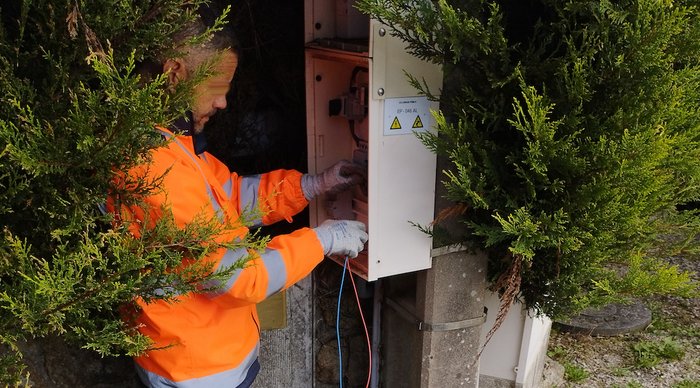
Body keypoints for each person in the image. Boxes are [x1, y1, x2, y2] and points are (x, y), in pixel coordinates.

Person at [107, 14, 368, 388]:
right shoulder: (154, 169)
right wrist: (321, 240)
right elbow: (236, 276)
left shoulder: (172, 147)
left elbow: (230, 196)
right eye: (217, 86)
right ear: (175, 72)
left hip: (206, 358)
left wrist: (312, 185)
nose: (224, 102)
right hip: (198, 371)